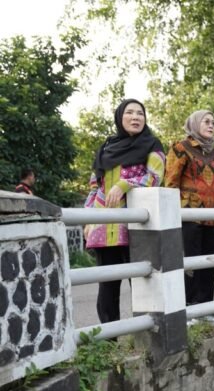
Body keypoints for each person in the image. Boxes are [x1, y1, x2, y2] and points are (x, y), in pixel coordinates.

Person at [84, 99, 165, 324]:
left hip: (136, 225)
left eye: (140, 113)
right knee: (107, 285)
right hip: (103, 226)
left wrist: (125, 184)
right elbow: (94, 187)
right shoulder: (106, 149)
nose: (135, 117)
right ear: (120, 117)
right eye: (129, 113)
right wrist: (87, 218)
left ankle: (145, 333)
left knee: (140, 282)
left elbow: (155, 177)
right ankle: (111, 339)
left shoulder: (152, 145)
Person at [165, 110, 214, 305]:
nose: (211, 125)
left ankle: (205, 309)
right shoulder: (181, 148)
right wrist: (171, 213)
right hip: (189, 216)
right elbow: (170, 183)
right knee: (191, 264)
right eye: (206, 122)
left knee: (210, 264)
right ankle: (188, 308)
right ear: (195, 124)